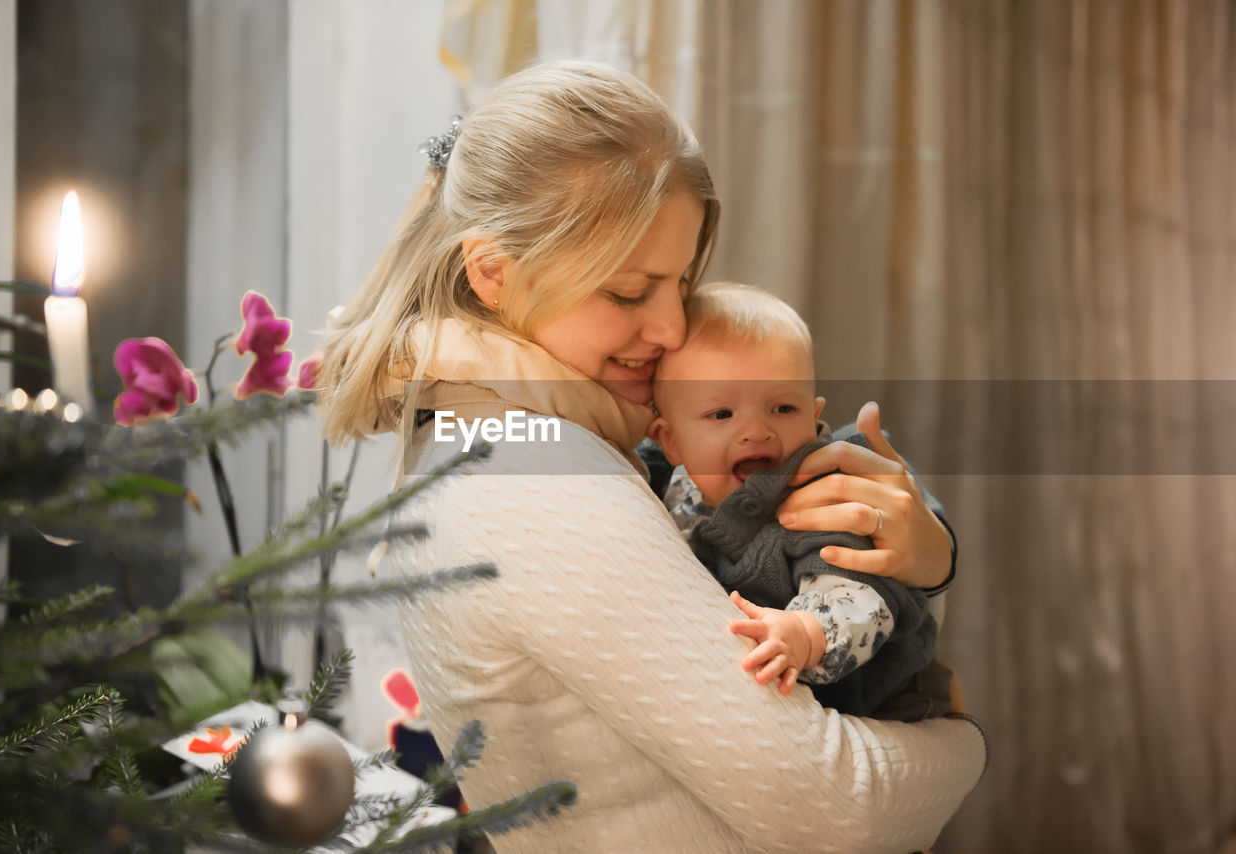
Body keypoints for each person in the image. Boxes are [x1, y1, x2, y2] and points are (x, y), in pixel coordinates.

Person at [318, 60, 985, 853]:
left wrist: (927, 555)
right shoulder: (535, 476)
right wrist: (966, 741)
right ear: (493, 272)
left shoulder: (511, 430)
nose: (671, 329)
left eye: (681, 283)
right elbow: (839, 805)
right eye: (630, 293)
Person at [647, 282, 945, 720]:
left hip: (879, 699)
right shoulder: (668, 481)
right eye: (722, 414)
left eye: (782, 408)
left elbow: (855, 595)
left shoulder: (827, 491)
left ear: (814, 413)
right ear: (670, 441)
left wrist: (805, 634)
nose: (756, 431)